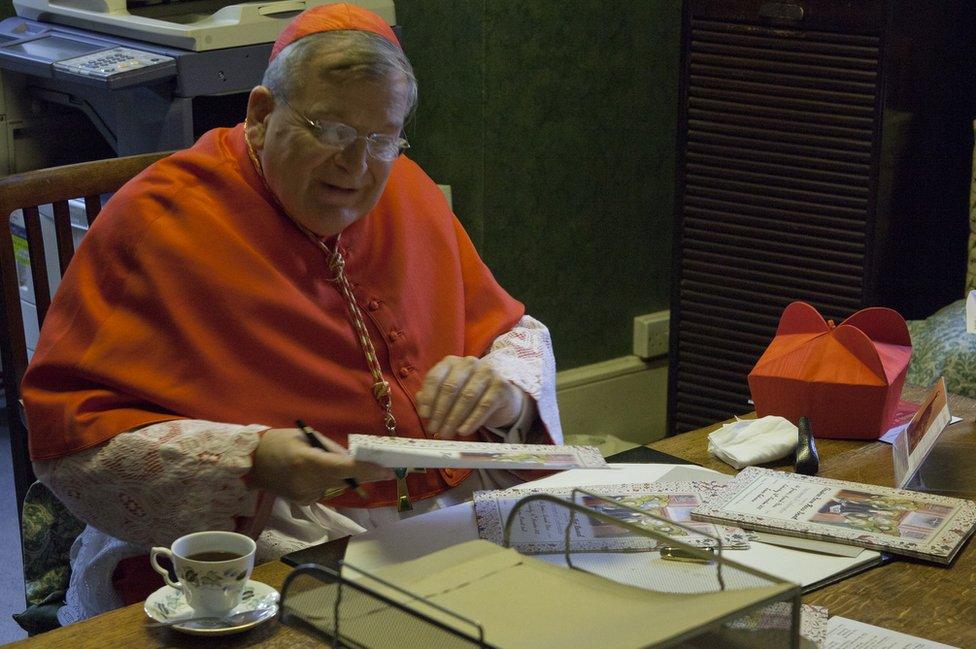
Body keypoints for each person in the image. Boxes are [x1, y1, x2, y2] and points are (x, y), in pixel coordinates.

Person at [21, 3, 561, 624]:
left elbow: (508, 330)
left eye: (381, 138)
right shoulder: (159, 221)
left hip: (449, 507)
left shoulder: (405, 185)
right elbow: (71, 442)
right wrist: (250, 460)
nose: (356, 167)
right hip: (272, 529)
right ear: (260, 115)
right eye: (329, 130)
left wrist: (505, 392)